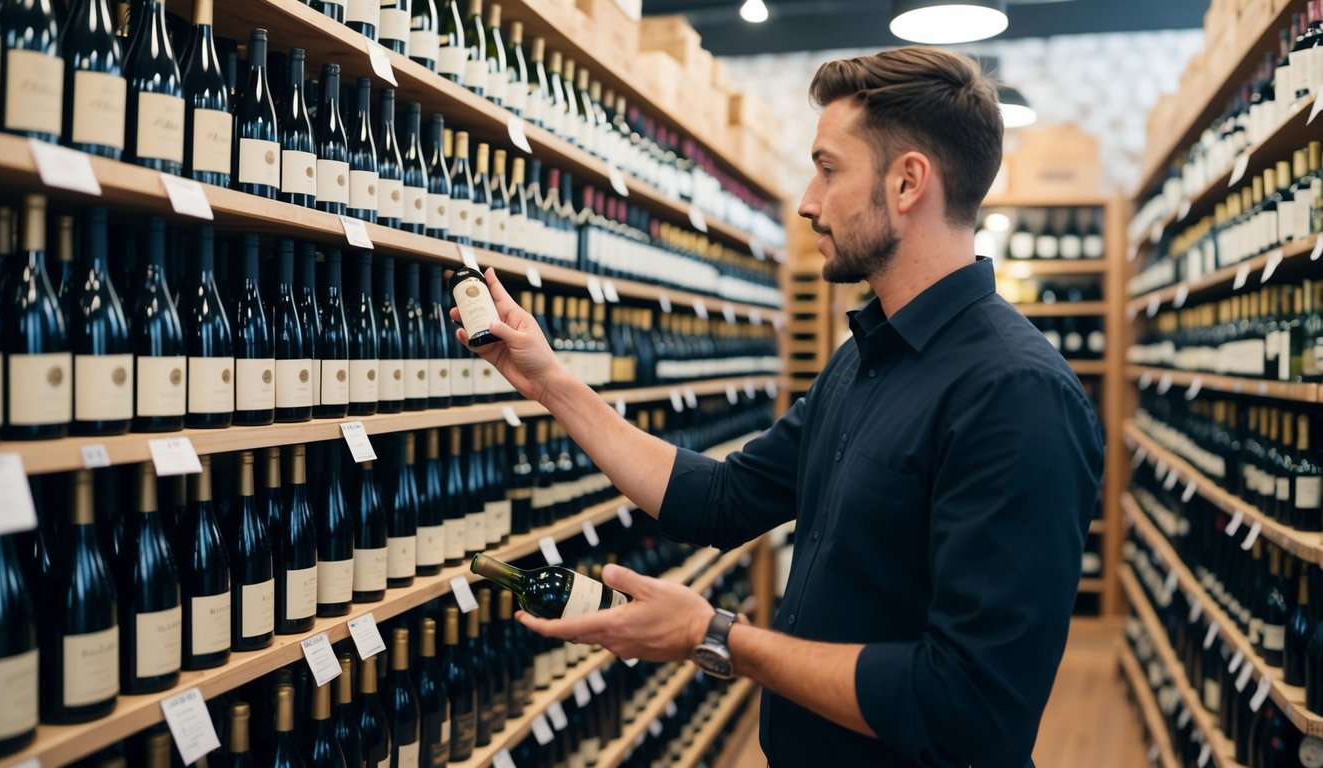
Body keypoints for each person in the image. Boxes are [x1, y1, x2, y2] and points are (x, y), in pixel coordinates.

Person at [451, 47, 1105, 767]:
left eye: (828, 169)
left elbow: (969, 705)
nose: (806, 200)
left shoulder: (1015, 396)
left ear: (907, 181)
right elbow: (722, 500)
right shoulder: (862, 358)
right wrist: (549, 383)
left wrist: (718, 636)